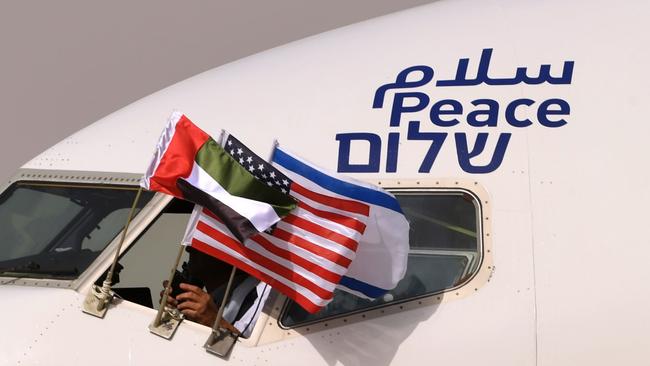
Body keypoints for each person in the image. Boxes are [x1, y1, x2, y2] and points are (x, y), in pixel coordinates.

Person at [161, 247, 269, 337]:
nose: (188, 248)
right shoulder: (214, 300)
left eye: (204, 238)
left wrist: (214, 321)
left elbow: (249, 355)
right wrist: (176, 316)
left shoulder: (264, 299)